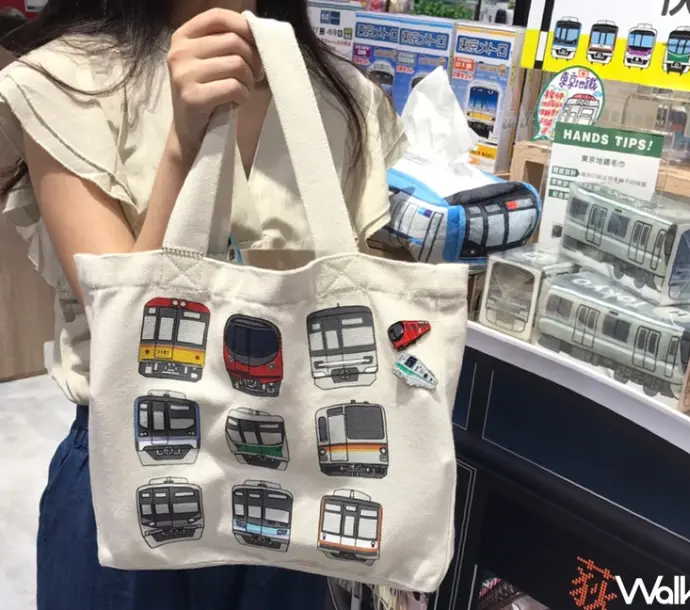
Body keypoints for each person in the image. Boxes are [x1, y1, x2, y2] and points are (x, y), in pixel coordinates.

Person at [0, 1, 407, 608]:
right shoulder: (67, 82)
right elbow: (128, 336)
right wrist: (181, 146)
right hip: (135, 475)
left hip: (298, 482)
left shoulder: (345, 98)